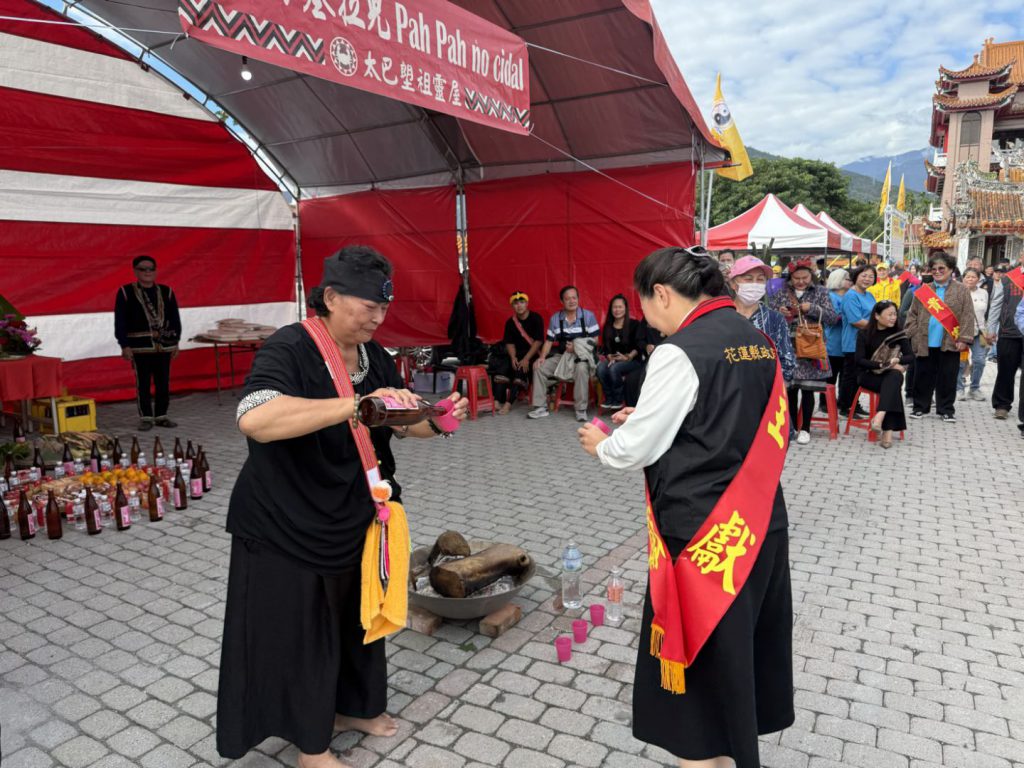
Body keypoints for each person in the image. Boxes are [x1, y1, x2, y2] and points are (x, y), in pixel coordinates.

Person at [217, 246, 468, 768]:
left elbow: (396, 418)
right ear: (329, 297)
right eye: (367, 306)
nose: (378, 317)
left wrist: (437, 420)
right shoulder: (291, 347)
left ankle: (353, 708)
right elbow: (254, 417)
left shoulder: (373, 355)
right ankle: (311, 745)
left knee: (357, 621)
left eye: (383, 308)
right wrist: (352, 406)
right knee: (306, 632)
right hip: (287, 519)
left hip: (352, 513)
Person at [578, 246, 793, 768]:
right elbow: (733, 418)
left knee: (699, 660)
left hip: (702, 533)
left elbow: (636, 449)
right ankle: (730, 747)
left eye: (644, 304)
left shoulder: (680, 351)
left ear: (661, 294)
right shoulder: (756, 338)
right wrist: (649, 416)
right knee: (736, 648)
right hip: (758, 521)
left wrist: (602, 442)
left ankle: (706, 758)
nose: (646, 318)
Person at [767, 261, 838, 445]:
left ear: (811, 275)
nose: (800, 282)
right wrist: (778, 311)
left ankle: (805, 428)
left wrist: (812, 309)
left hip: (810, 348)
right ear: (790, 277)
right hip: (786, 347)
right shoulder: (781, 292)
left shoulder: (820, 292)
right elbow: (768, 314)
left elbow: (832, 317)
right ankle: (791, 427)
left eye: (804, 278)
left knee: (808, 390)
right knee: (788, 390)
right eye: (796, 278)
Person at [114, 255, 182, 431]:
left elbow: (175, 319)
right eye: (143, 269)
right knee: (143, 383)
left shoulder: (166, 291)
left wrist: (175, 342)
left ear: (156, 271)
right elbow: (120, 321)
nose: (147, 272)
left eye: (151, 269)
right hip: (140, 346)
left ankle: (161, 416)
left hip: (164, 345)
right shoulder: (125, 292)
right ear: (135, 271)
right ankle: (146, 417)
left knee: (163, 382)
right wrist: (124, 345)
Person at [905, 251, 975, 422]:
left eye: (941, 268)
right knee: (922, 376)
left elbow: (967, 315)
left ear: (951, 269)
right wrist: (913, 334)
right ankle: (920, 407)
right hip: (925, 341)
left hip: (950, 341)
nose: (937, 271)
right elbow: (911, 315)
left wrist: (963, 339)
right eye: (933, 268)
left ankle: (946, 410)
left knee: (948, 376)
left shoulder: (962, 290)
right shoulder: (924, 291)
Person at [528, 286, 600, 421]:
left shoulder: (588, 316)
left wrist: (577, 346)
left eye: (574, 298)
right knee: (539, 367)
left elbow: (595, 340)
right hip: (562, 357)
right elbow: (549, 341)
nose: (571, 301)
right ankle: (540, 407)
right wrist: (542, 357)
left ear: (578, 299)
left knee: (581, 368)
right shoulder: (556, 319)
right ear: (562, 301)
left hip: (581, 358)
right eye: (567, 299)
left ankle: (580, 409)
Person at [854, 301, 913, 449]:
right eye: (889, 315)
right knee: (894, 382)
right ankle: (887, 430)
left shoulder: (898, 334)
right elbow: (859, 360)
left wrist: (898, 360)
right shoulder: (864, 334)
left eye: (895, 314)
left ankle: (879, 417)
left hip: (889, 376)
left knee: (894, 378)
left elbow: (911, 356)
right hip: (868, 375)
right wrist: (882, 365)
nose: (893, 318)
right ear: (877, 316)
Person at [728, 257, 796, 385]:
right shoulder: (722, 317)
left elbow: (787, 362)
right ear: (733, 283)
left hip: (766, 394)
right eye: (748, 279)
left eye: (760, 279)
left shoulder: (775, 319)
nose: (755, 284)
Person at [492, 291, 544, 415]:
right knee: (502, 368)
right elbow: (509, 343)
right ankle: (498, 400)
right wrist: (512, 357)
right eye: (516, 303)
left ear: (526, 304)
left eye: (522, 302)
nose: (519, 306)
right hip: (517, 354)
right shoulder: (510, 322)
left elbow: (538, 341)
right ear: (512, 306)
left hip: (532, 355)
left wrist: (526, 358)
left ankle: (508, 404)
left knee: (520, 371)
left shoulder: (536, 318)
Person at [838, 266, 877, 417]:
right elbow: (856, 320)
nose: (867, 279)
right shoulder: (851, 296)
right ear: (856, 276)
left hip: (867, 342)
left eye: (871, 276)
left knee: (859, 376)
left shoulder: (869, 295)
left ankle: (855, 404)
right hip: (853, 342)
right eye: (864, 275)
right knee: (851, 376)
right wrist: (879, 327)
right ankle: (845, 407)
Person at [988, 262, 1024, 421]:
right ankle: (1002, 405)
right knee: (1005, 370)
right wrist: (991, 329)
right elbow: (996, 304)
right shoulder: (1009, 278)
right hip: (1009, 331)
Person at [597, 294, 641, 409]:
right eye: (614, 307)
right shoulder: (608, 326)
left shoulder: (634, 324)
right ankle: (609, 398)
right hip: (615, 360)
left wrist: (628, 357)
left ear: (625, 308)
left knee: (614, 368)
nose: (617, 310)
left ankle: (618, 399)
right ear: (611, 309)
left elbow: (639, 346)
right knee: (601, 368)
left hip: (632, 360)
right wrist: (609, 357)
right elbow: (606, 349)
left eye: (620, 307)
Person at [956, 268, 991, 401]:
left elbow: (986, 313)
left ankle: (974, 388)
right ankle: (959, 388)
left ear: (978, 279)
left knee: (980, 361)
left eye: (973, 277)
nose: (970, 279)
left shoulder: (984, 293)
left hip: (981, 332)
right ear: (963, 278)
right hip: (962, 333)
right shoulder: (958, 292)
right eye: (968, 277)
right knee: (960, 362)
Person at [822, 269, 851, 413]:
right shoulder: (831, 297)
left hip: (846, 342)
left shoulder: (848, 296)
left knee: (845, 376)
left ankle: (842, 402)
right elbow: (832, 318)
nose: (849, 281)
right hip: (833, 341)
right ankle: (825, 403)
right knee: (830, 376)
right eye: (847, 278)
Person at [623, 318, 667, 408]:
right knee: (632, 379)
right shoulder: (647, 317)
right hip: (649, 361)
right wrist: (646, 346)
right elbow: (639, 340)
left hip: (667, 361)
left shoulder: (673, 316)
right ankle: (632, 410)